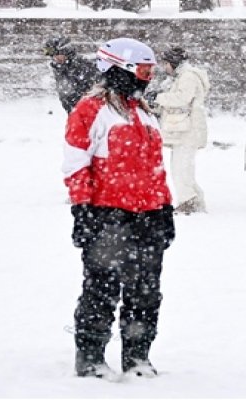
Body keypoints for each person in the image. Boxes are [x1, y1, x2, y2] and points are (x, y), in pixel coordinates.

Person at [63, 37, 175, 379]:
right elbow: (75, 164)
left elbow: (155, 168)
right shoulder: (91, 110)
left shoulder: (145, 113)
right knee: (102, 288)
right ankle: (91, 355)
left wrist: (165, 209)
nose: (148, 78)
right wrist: (82, 210)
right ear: (120, 69)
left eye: (151, 72)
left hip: (148, 216)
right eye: (143, 71)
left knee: (145, 291)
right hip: (108, 216)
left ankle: (138, 356)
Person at [149, 47, 211, 214]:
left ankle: (189, 202)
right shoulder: (182, 77)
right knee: (183, 168)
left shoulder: (188, 77)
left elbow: (182, 99)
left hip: (188, 130)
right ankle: (194, 201)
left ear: (174, 63)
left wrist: (158, 98)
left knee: (181, 168)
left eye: (166, 64)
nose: (164, 67)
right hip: (183, 129)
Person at [42, 36, 100, 114]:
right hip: (74, 112)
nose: (54, 58)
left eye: (56, 54)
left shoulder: (83, 66)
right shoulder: (59, 67)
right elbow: (64, 93)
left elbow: (94, 92)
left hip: (90, 113)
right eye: (52, 56)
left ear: (65, 51)